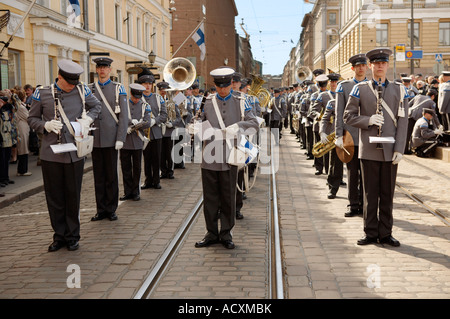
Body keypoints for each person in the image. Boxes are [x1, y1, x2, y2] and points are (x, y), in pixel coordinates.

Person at [28, 59, 101, 252]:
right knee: (55, 198)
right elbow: (32, 118)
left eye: (74, 83)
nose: (71, 87)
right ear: (59, 77)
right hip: (51, 154)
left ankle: (72, 236)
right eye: (68, 83)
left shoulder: (81, 90)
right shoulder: (41, 93)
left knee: (72, 195)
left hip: (74, 153)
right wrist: (44, 126)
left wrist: (88, 119)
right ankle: (59, 235)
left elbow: (96, 106)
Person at [344, 48, 409, 247]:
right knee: (370, 194)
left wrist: (400, 148)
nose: (380, 66)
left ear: (387, 65)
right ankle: (371, 232)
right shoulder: (360, 88)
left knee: (388, 194)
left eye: (383, 63)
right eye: (376, 63)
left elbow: (403, 120)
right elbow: (348, 116)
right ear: (370, 65)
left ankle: (386, 233)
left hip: (390, 150)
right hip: (369, 150)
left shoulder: (399, 89)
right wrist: (368, 119)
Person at [194, 67, 259, 250]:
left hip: (231, 156)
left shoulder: (241, 101)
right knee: (210, 197)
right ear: (214, 85)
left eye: (225, 86)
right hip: (210, 157)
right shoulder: (206, 101)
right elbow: (198, 121)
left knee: (228, 197)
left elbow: (254, 124)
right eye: (219, 86)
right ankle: (212, 232)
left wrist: (238, 127)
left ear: (231, 84)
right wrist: (196, 128)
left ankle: (226, 233)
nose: (222, 90)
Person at [88, 57, 128, 222]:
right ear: (96, 70)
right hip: (96, 138)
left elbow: (124, 116)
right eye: (100, 67)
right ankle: (101, 209)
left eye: (105, 67)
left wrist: (121, 137)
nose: (102, 70)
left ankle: (111, 208)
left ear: (110, 70)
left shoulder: (118, 88)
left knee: (111, 175)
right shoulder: (89, 88)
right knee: (98, 176)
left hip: (112, 139)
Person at [335, 53, 368, 217]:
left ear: (367, 67)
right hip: (351, 137)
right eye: (358, 66)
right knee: (352, 173)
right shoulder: (344, 86)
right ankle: (353, 204)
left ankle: (364, 205)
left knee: (367, 175)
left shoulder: (372, 85)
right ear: (353, 68)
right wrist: (338, 134)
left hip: (368, 138)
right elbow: (339, 111)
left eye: (363, 65)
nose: (361, 68)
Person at [119, 83, 152, 201]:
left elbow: (148, 122)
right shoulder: (124, 104)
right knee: (125, 167)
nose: (137, 100)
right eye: (134, 97)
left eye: (138, 98)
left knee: (137, 168)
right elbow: (118, 118)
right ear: (131, 94)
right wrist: (127, 125)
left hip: (138, 140)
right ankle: (127, 191)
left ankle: (135, 191)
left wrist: (138, 124)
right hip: (125, 141)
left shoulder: (145, 106)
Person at [139, 69, 167, 190]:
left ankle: (157, 180)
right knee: (147, 158)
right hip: (144, 134)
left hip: (156, 133)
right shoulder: (138, 98)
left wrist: (155, 120)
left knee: (157, 158)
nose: (148, 86)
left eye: (149, 84)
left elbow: (164, 114)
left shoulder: (158, 98)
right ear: (141, 85)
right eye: (145, 84)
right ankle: (147, 180)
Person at [405, 89, 440, 154]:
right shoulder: (431, 102)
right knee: (416, 132)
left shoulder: (418, 96)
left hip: (410, 115)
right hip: (418, 118)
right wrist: (438, 125)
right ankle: (412, 147)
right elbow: (434, 115)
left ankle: (405, 150)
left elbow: (408, 105)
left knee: (408, 133)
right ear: (433, 96)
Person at [159, 81, 182, 180]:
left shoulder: (173, 101)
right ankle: (163, 171)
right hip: (159, 131)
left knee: (169, 153)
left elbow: (178, 117)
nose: (163, 91)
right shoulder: (157, 100)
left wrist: (172, 124)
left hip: (169, 131)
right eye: (161, 89)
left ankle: (170, 171)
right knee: (161, 154)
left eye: (165, 89)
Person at [308, 74, 329, 175]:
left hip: (330, 126)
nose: (324, 87)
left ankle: (330, 171)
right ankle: (319, 167)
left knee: (330, 149)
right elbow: (312, 110)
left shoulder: (331, 94)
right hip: (318, 124)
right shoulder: (315, 95)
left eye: (325, 85)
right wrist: (318, 116)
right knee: (319, 146)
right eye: (322, 86)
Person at [11, 91, 32, 176]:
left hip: (22, 128)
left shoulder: (20, 106)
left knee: (23, 149)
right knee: (23, 149)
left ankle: (22, 170)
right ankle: (22, 170)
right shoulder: (21, 107)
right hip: (22, 129)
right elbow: (28, 117)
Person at [0, 90, 17, 187]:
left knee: (6, 158)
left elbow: (17, 106)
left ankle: (6, 177)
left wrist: (12, 96)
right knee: (1, 159)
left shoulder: (9, 107)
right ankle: (2, 178)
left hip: (9, 137)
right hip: (2, 137)